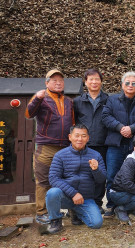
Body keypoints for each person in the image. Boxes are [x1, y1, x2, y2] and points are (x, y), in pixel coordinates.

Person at [27, 68, 75, 223]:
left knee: (68, 178)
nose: (58, 83)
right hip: (46, 146)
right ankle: (42, 212)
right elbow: (28, 114)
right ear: (46, 83)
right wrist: (37, 98)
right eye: (54, 80)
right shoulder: (41, 97)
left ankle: (70, 209)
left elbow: (73, 122)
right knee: (43, 179)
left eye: (60, 80)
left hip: (66, 146)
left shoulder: (69, 101)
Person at [43, 124, 106, 234]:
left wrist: (96, 170)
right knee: (52, 193)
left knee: (96, 223)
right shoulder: (60, 155)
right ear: (70, 137)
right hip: (66, 197)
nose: (80, 139)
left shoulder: (96, 155)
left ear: (88, 138)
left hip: (85, 199)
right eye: (76, 135)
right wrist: (73, 193)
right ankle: (55, 220)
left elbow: (101, 180)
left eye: (83, 136)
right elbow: (53, 178)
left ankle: (76, 212)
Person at [103, 72, 135, 201]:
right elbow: (106, 117)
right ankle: (111, 205)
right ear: (122, 85)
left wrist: (132, 128)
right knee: (112, 175)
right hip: (115, 144)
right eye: (127, 83)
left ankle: (132, 204)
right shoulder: (112, 100)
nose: (130, 85)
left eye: (134, 83)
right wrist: (120, 127)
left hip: (134, 146)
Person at [73, 68, 109, 209]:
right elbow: (74, 122)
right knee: (81, 174)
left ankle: (97, 203)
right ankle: (79, 203)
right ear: (86, 82)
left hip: (102, 144)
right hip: (83, 144)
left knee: (99, 175)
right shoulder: (78, 101)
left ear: (101, 82)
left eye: (97, 79)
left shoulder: (109, 100)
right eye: (91, 79)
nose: (94, 82)